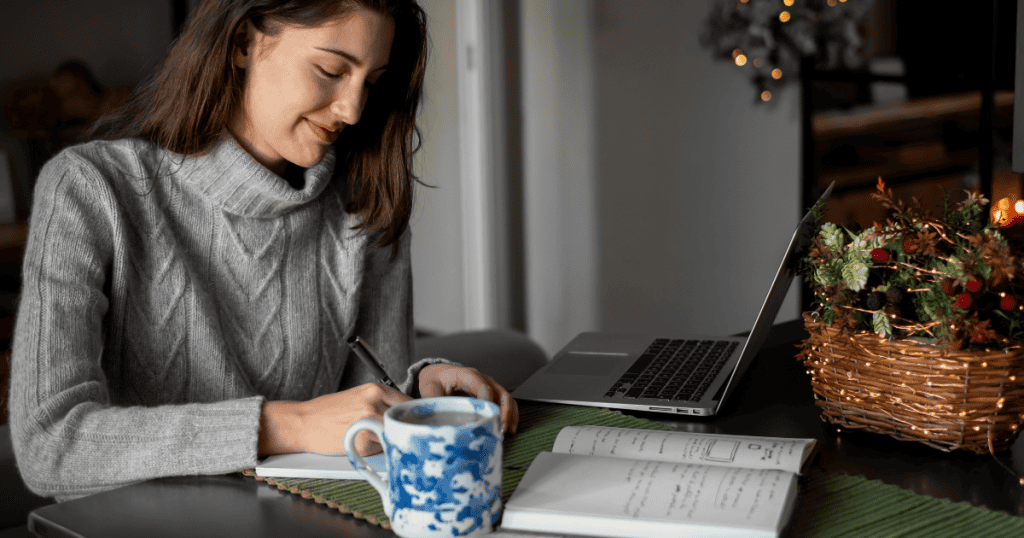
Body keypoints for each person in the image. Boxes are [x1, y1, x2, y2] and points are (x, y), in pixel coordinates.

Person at [8, 0, 517, 502]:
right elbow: (49, 445)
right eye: (331, 69)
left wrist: (418, 388)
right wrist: (282, 424)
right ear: (243, 43)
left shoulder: (365, 200)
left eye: (372, 80)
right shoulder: (87, 189)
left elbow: (364, 406)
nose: (352, 109)